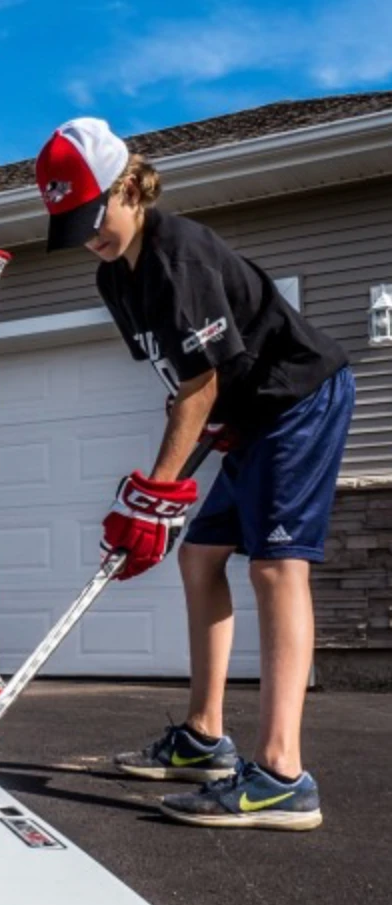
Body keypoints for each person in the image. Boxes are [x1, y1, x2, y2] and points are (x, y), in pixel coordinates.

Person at [34, 117, 354, 831]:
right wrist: (175, 480)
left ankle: (281, 775)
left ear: (128, 187)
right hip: (250, 416)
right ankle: (205, 739)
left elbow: (199, 386)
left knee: (277, 568)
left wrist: (157, 493)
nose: (90, 235)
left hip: (299, 398)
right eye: (74, 225)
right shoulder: (114, 277)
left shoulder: (178, 256)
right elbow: (186, 378)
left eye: (94, 217)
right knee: (202, 555)